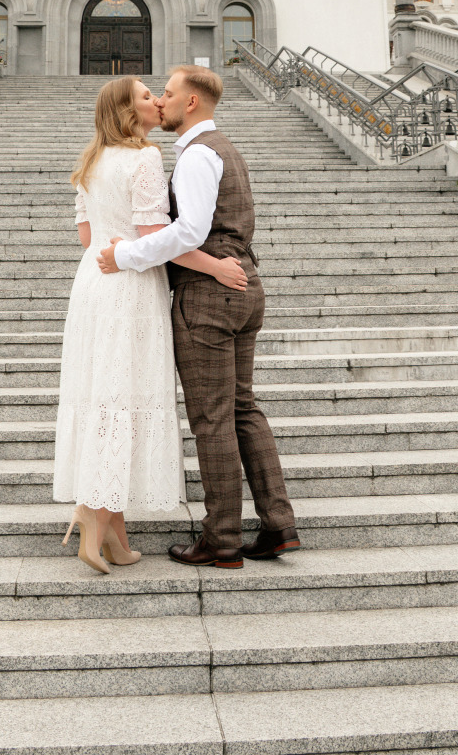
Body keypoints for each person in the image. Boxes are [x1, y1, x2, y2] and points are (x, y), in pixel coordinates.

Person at [98, 66, 299, 568]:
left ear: (191, 103)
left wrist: (127, 254)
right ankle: (277, 525)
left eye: (166, 93)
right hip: (242, 284)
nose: (159, 101)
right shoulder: (224, 148)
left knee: (212, 418)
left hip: (209, 295)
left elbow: (188, 232)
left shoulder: (195, 155)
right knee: (242, 409)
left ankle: (221, 538)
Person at [54, 76, 249, 574]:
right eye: (146, 96)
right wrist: (215, 266)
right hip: (131, 285)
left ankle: (111, 531)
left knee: (105, 397)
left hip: (93, 286)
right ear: (126, 111)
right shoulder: (145, 158)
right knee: (125, 400)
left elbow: (85, 237)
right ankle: (96, 522)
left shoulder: (90, 161)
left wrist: (112, 249)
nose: (156, 101)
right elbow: (155, 237)